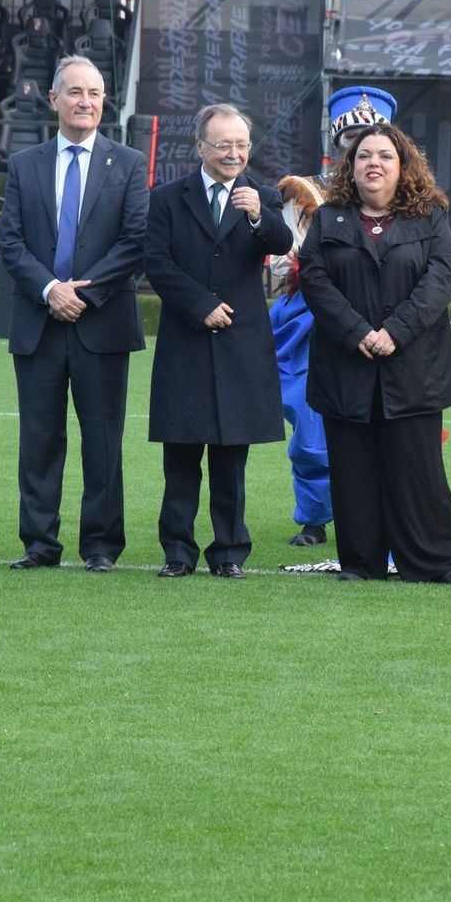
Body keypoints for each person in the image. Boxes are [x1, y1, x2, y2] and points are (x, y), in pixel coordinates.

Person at [297, 122, 451, 586]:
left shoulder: (431, 216)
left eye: (385, 155)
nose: (374, 163)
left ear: (403, 165)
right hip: (345, 366)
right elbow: (314, 279)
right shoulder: (328, 218)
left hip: (415, 368)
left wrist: (395, 331)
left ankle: (434, 564)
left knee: (420, 473)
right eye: (364, 155)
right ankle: (360, 564)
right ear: (350, 167)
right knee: (352, 471)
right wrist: (357, 331)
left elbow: (440, 279)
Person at [0, 54, 149, 572]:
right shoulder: (24, 164)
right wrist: (50, 290)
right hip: (38, 324)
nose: (86, 102)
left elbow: (135, 241)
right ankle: (39, 544)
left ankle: (101, 545)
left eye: (95, 93)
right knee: (39, 439)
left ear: (105, 102)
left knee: (102, 441)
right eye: (76, 92)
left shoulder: (128, 163)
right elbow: (10, 242)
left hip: (102, 323)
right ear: (54, 99)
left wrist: (83, 293)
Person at [145, 104, 291, 579]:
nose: (233, 153)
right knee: (181, 458)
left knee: (231, 459)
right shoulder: (167, 198)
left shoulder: (262, 196)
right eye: (223, 144)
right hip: (185, 342)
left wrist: (258, 217)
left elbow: (281, 243)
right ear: (200, 147)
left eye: (241, 145)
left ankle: (229, 551)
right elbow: (157, 263)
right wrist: (200, 304)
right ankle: (177, 552)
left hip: (240, 345)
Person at [269, 85, 397, 548]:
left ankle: (382, 515)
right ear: (339, 143)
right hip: (310, 323)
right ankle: (315, 518)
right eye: (352, 141)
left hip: (383, 324)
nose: (361, 151)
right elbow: (280, 264)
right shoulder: (302, 195)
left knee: (387, 424)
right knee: (310, 429)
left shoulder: (408, 200)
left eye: (372, 141)